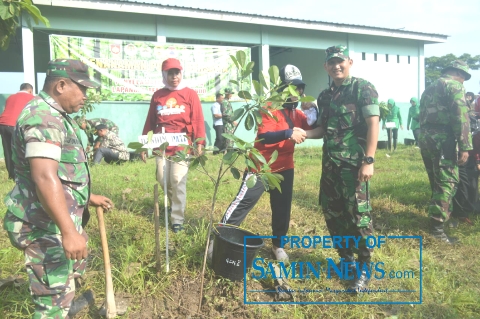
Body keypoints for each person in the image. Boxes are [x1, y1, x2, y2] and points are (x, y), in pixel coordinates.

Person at [3, 59, 114, 318]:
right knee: (51, 305)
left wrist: (86, 198)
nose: (86, 96)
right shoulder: (43, 117)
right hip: (44, 225)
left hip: (55, 218)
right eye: (83, 88)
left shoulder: (57, 115)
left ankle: (67, 306)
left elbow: (63, 173)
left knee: (63, 286)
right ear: (61, 85)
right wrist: (68, 232)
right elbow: (43, 177)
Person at [214, 64, 312, 263]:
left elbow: (314, 126)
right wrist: (288, 133)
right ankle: (217, 240)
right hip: (260, 167)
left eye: (299, 88)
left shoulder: (297, 114)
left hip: (285, 167)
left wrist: (314, 108)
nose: (296, 92)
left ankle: (278, 246)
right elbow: (265, 136)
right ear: (280, 89)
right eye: (290, 87)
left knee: (282, 209)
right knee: (242, 204)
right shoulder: (268, 108)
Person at [306, 45, 380, 291]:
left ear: (349, 62)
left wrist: (368, 160)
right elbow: (321, 130)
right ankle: (346, 260)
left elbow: (373, 125)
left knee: (358, 217)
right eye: (331, 62)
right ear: (325, 67)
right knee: (333, 214)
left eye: (340, 61)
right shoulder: (324, 97)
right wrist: (301, 133)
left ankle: (364, 269)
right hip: (330, 167)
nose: (336, 66)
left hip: (354, 167)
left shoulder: (363, 88)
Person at [141, 58, 206, 233]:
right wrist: (144, 144)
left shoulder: (190, 94)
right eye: (170, 73)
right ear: (164, 75)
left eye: (176, 73)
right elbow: (150, 121)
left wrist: (199, 142)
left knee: (177, 179)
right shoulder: (158, 95)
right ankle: (173, 203)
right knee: (163, 179)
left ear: (181, 74)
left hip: (182, 143)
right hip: (161, 141)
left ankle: (177, 218)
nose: (174, 77)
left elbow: (198, 119)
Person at [419, 60, 472, 244]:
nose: (464, 81)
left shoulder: (429, 87)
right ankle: (437, 230)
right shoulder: (455, 86)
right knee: (447, 181)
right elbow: (461, 117)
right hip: (444, 139)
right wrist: (465, 146)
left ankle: (442, 219)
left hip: (426, 137)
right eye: (464, 77)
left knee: (435, 179)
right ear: (459, 73)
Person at [0, 83, 34, 179]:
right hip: (14, 124)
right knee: (20, 150)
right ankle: (22, 175)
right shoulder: (31, 98)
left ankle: (11, 175)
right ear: (30, 91)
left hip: (2, 124)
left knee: (7, 150)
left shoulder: (10, 97)